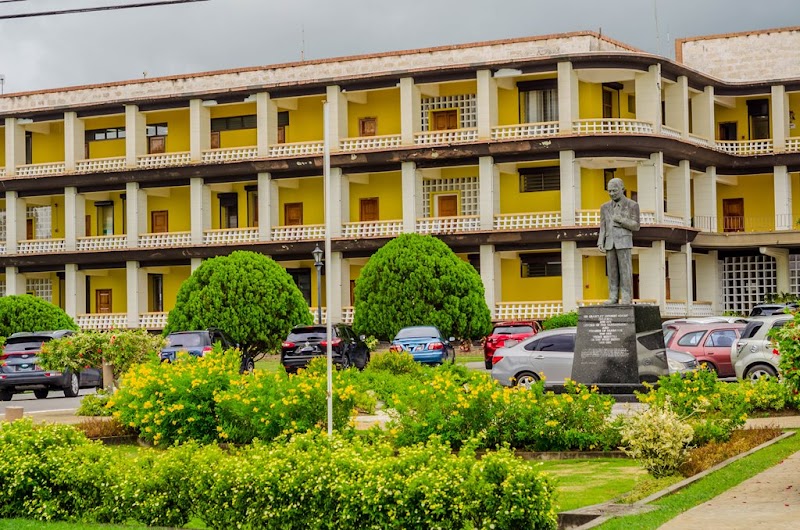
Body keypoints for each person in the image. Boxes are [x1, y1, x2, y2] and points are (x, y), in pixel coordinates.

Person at [597, 177, 640, 305]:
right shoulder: (604, 207)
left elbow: (636, 225)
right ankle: (613, 296)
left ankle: (626, 297)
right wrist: (600, 241)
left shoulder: (632, 205)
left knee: (625, 271)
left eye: (614, 191)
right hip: (609, 243)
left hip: (624, 242)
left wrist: (621, 220)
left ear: (622, 189)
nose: (611, 193)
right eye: (609, 191)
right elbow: (602, 225)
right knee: (612, 272)